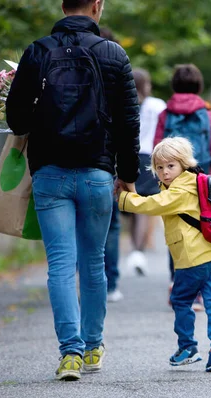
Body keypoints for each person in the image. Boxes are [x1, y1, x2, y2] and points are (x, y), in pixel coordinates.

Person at [6, 0, 140, 381]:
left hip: (49, 175)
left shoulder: (37, 51)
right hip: (98, 174)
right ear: (97, 6)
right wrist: (128, 174)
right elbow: (129, 122)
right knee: (93, 262)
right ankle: (93, 345)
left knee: (61, 266)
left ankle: (70, 354)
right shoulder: (113, 53)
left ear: (62, 5)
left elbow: (16, 120)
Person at [117, 137, 211, 372]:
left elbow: (153, 205)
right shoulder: (195, 182)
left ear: (184, 164)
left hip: (193, 259)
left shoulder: (181, 189)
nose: (164, 172)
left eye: (171, 166)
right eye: (159, 168)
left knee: (180, 300)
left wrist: (124, 198)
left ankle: (188, 347)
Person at [153, 64, 211, 309]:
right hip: (202, 184)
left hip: (173, 184)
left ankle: (177, 284)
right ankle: (202, 291)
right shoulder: (209, 114)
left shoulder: (165, 114)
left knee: (175, 233)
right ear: (199, 86)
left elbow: (157, 147)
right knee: (203, 231)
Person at [125, 68, 167, 276]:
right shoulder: (158, 105)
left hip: (129, 155)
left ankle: (135, 248)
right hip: (151, 156)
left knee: (134, 204)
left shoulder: (125, 103)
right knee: (143, 206)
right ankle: (137, 251)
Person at [97, 26, 125, 303]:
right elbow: (127, 124)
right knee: (111, 225)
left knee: (76, 228)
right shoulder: (116, 70)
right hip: (107, 163)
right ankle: (110, 282)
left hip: (62, 162)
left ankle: (84, 280)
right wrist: (127, 173)